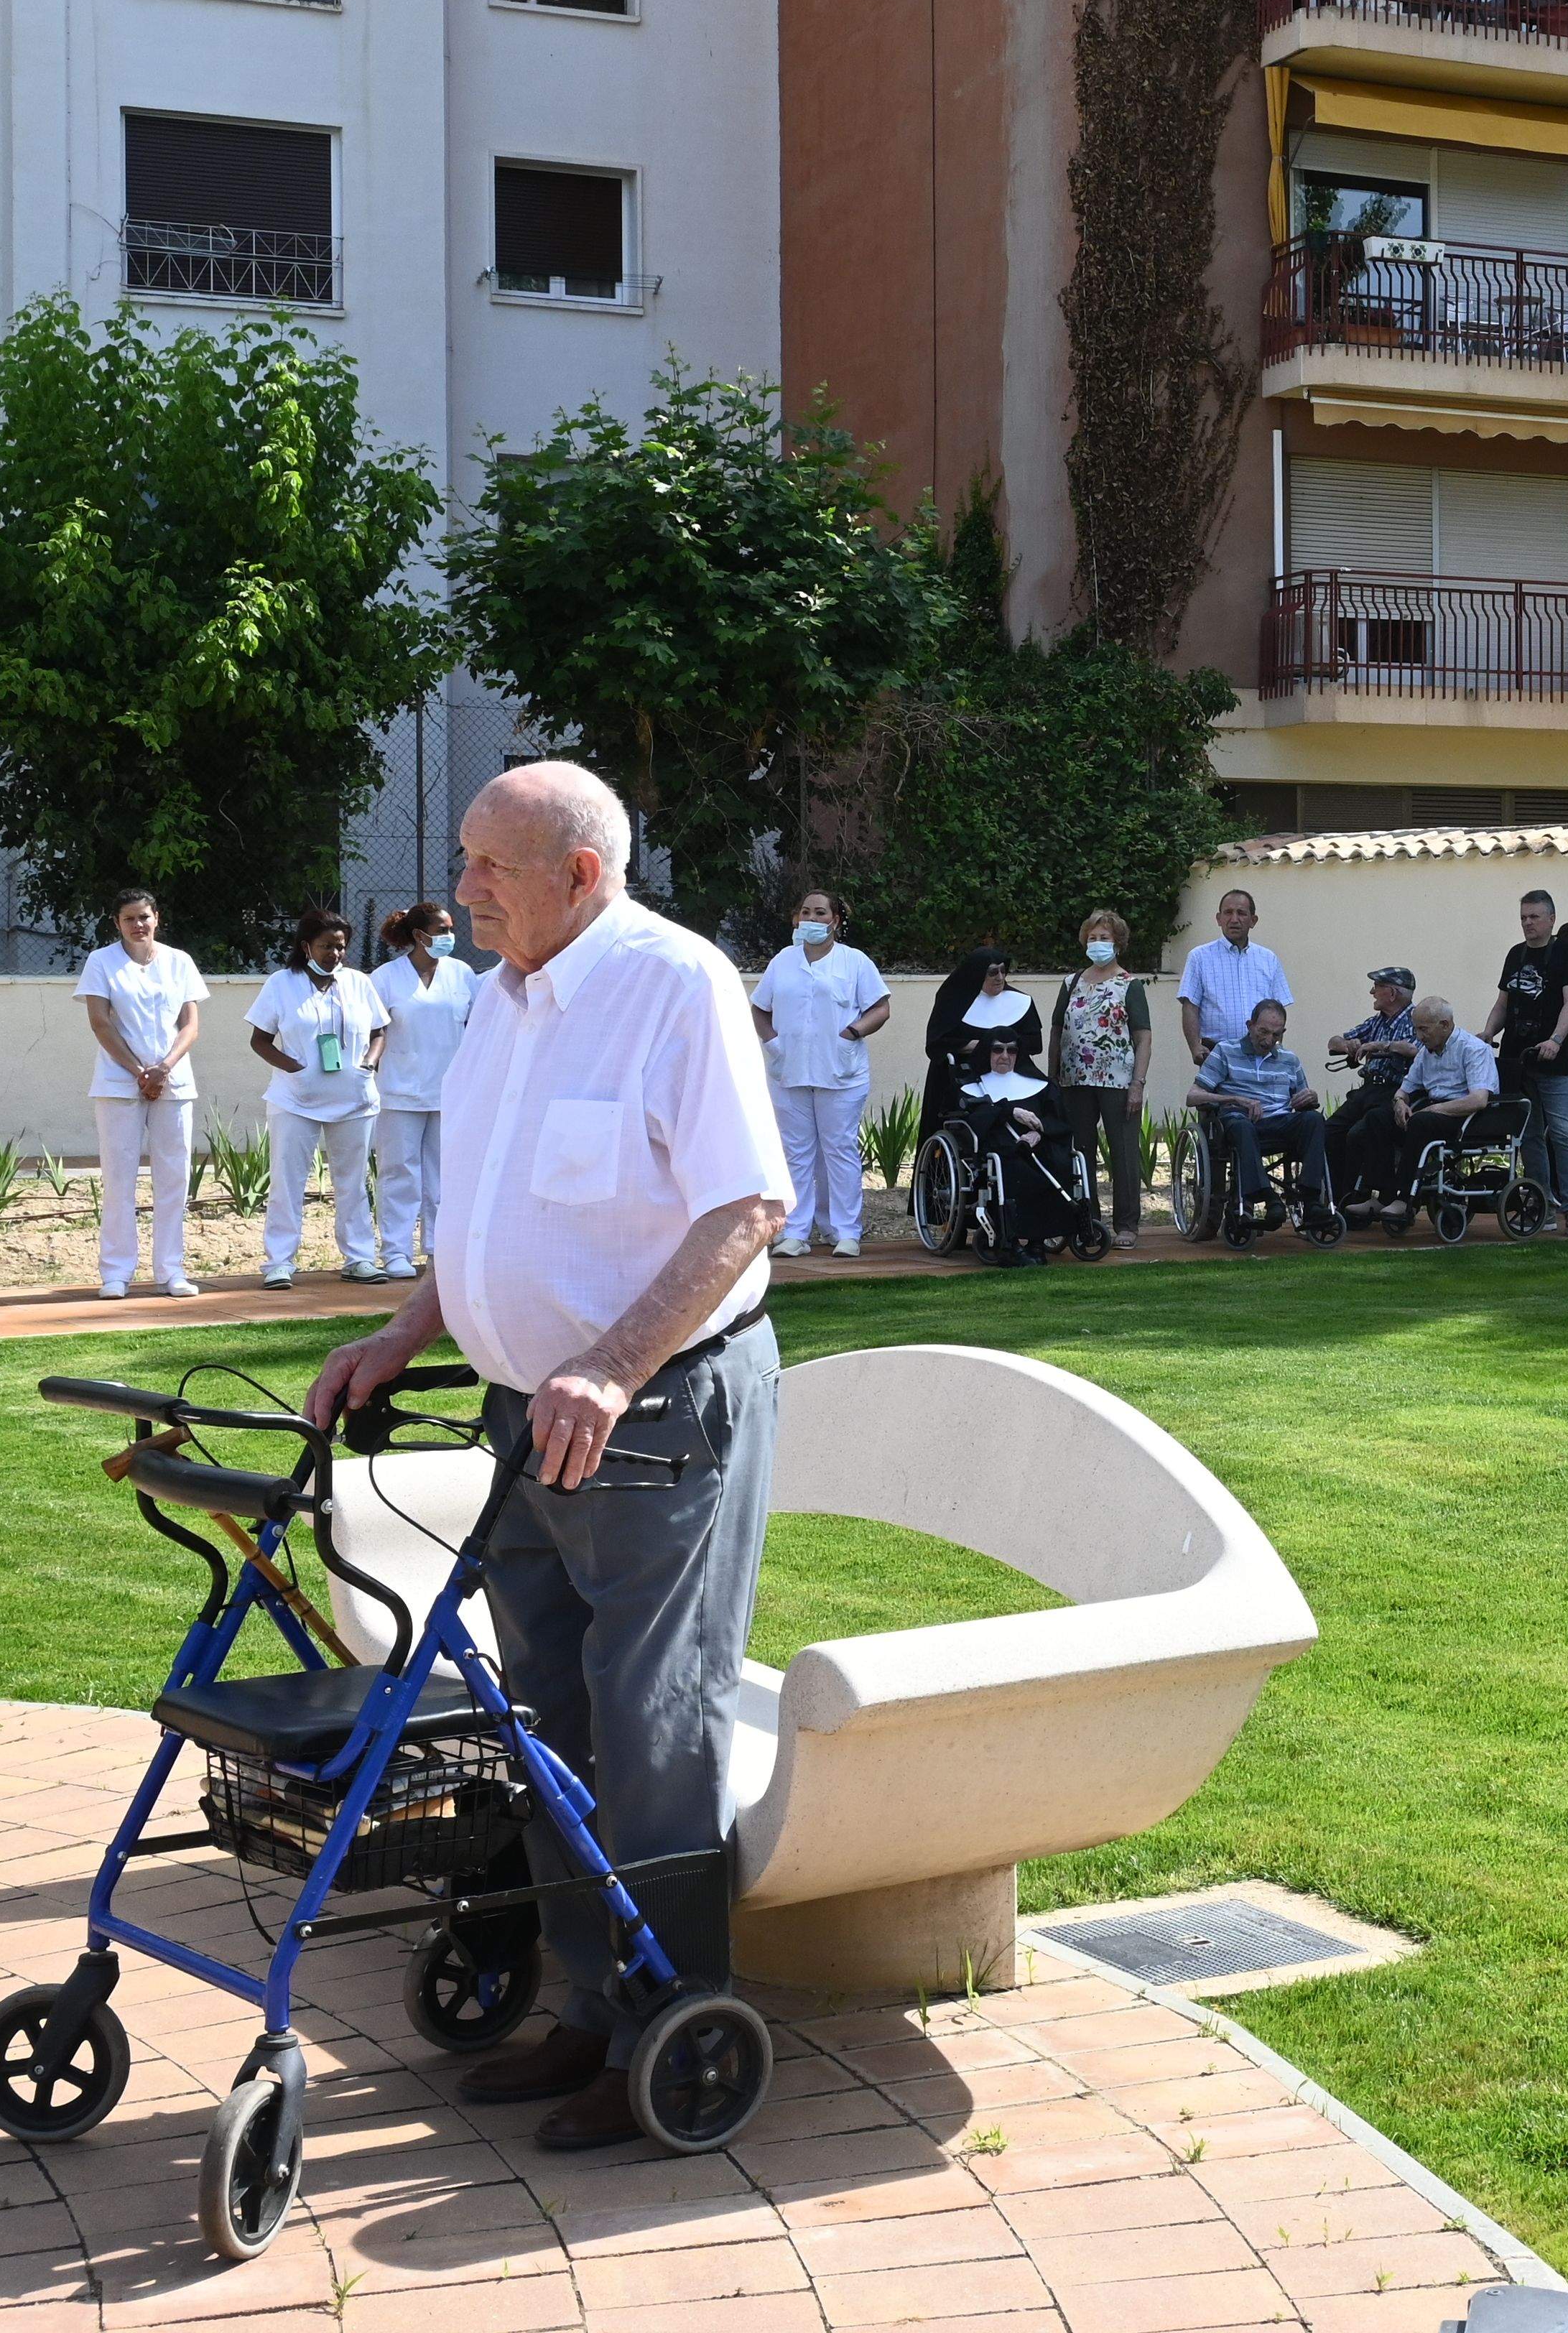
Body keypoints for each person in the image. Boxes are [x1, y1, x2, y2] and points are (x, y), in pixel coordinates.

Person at [305, 762, 789, 2155]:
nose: (460, 889)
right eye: (466, 860)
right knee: (549, 1721)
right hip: (525, 1414)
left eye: (489, 865)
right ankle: (593, 1999)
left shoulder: (674, 984)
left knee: (652, 1722)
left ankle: (670, 2027)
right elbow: (490, 1215)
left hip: (652, 1412)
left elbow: (747, 1204)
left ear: (580, 875)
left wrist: (612, 1364)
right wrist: (404, 1331)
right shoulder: (503, 998)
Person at [246, 907, 391, 1290]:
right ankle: (279, 1263)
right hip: (295, 1100)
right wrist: (294, 1068)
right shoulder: (282, 983)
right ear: (306, 946)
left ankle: (359, 1258)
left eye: (340, 947)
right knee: (287, 1182)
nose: (335, 954)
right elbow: (260, 1040)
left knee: (353, 1182)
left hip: (354, 1099)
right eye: (327, 946)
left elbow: (379, 1031)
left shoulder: (358, 982)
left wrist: (368, 1064)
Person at [78, 888, 208, 1300]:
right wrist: (139, 1072)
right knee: (119, 1178)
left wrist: (164, 1068)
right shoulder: (101, 962)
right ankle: (116, 1273)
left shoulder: (179, 961)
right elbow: (100, 1023)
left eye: (144, 917)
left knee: (174, 1177)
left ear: (157, 918)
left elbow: (190, 1025)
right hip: (120, 1084)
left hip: (173, 1081)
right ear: (117, 923)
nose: (138, 925)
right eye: (129, 918)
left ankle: (171, 1271)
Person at [751, 891, 891, 1258]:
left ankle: (845, 1232)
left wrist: (852, 1033)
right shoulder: (783, 961)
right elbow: (759, 1008)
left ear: (835, 921)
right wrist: (773, 1043)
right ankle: (795, 1232)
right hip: (789, 1070)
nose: (811, 919)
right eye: (806, 912)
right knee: (796, 1153)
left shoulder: (855, 962)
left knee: (839, 1150)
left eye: (820, 913)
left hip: (841, 1072)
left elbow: (880, 1008)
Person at [366, 902, 475, 1280]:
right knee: (399, 1173)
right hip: (399, 1092)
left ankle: (438, 1251)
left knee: (444, 1176)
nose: (449, 937)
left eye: (451, 929)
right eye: (442, 931)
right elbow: (373, 1031)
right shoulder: (385, 978)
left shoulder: (462, 974)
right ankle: (396, 1251)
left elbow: (476, 1028)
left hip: (450, 1092)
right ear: (418, 935)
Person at [1484, 889, 1568, 1238]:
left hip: (1555, 1060)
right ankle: (1541, 1203)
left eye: (1534, 917)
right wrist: (1486, 1034)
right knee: (1529, 1135)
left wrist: (1556, 1040)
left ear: (1551, 919)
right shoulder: (1515, 954)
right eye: (1523, 917)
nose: (1528, 923)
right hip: (1517, 1059)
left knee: (1563, 1133)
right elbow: (1503, 1003)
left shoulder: (1567, 953)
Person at [1187, 997, 1334, 1238]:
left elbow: (1303, 1100)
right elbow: (1193, 1096)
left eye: (1276, 1035)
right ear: (1250, 1025)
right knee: (1242, 1126)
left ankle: (1310, 1201)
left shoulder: (1290, 1060)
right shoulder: (1225, 1051)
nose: (1268, 1040)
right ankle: (1268, 1198)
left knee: (1314, 1120)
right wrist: (1236, 1099)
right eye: (1263, 1032)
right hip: (1240, 1122)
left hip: (1279, 1122)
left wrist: (1309, 1097)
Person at [1052, 909, 1154, 1250]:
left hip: (1119, 1082)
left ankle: (1127, 1224)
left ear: (1118, 943)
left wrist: (1138, 1083)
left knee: (1123, 1152)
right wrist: (1053, 1076)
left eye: (1104, 938)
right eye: (1092, 938)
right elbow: (1057, 1031)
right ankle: (1088, 1220)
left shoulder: (1130, 985)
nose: (1097, 943)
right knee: (1080, 1152)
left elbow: (1143, 1037)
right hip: (1075, 1081)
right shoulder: (1071, 983)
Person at [958, 1037, 1084, 1261]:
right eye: (998, 1049)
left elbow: (1059, 1120)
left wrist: (1040, 1131)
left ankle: (1038, 1242)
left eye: (1012, 1050)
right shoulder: (973, 1087)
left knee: (1058, 1161)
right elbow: (973, 1120)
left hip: (1037, 1145)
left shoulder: (1041, 1086)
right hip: (999, 1149)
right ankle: (1012, 1242)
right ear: (987, 1053)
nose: (1005, 1056)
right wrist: (1010, 1111)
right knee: (1019, 1171)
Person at [1329, 964, 1424, 1219]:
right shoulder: (1376, 1021)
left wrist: (1381, 1045)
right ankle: (1337, 1198)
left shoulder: (1417, 1019)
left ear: (1392, 994)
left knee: (1359, 1133)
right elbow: (1333, 1042)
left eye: (1377, 987)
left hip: (1397, 1090)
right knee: (1330, 1130)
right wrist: (1348, 1045)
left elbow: (1414, 1049)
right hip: (1369, 1089)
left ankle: (1366, 1196)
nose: (1372, 992)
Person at [920, 949, 1039, 1136]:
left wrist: (1002, 1049)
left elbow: (1035, 1043)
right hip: (964, 1076)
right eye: (992, 972)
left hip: (1009, 1073)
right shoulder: (951, 1001)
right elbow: (936, 1045)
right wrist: (977, 1046)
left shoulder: (1021, 1001)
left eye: (1003, 971)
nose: (1000, 977)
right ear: (977, 974)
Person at [1394, 996, 1503, 1191]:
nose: (1419, 1036)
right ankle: (1375, 1193)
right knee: (1377, 1118)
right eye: (1416, 1029)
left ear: (1444, 1025)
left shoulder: (1473, 1049)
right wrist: (1400, 1102)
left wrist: (1434, 1109)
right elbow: (1404, 1089)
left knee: (1419, 1122)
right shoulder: (1425, 1053)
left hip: (1466, 1116)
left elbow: (1478, 1100)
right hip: (1432, 1112)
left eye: (1424, 1029)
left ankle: (1402, 1196)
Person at [1175, 888, 1293, 1060]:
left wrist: (1276, 1050)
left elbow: (1278, 1011)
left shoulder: (1268, 959)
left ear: (1253, 921)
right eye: (1228, 913)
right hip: (1216, 1054)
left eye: (1241, 913)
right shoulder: (1199, 957)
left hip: (1261, 1053)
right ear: (1219, 919)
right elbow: (1190, 1006)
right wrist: (1195, 1047)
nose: (1234, 919)